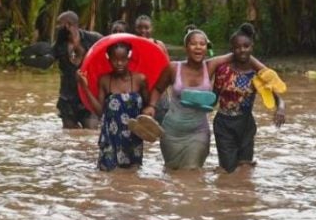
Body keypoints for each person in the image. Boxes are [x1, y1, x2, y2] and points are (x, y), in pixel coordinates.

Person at [142, 27, 265, 170]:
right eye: (194, 44)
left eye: (202, 44)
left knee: (192, 171)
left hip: (198, 131)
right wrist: (151, 106)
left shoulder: (210, 66)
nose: (198, 47)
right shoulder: (173, 68)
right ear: (186, 47)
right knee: (172, 172)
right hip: (172, 132)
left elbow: (240, 54)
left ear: (207, 47)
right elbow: (158, 89)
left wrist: (266, 72)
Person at [213, 23, 286, 173]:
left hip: (246, 124)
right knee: (228, 171)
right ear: (232, 49)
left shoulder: (257, 74)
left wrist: (281, 109)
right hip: (224, 125)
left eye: (246, 46)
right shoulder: (223, 70)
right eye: (238, 47)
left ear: (252, 47)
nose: (242, 50)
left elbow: (277, 97)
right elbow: (213, 98)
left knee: (245, 169)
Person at [77, 42, 148, 171]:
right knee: (108, 177)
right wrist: (84, 87)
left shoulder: (140, 79)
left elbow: (147, 110)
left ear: (129, 58)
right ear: (108, 59)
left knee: (133, 177)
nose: (119, 64)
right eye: (115, 60)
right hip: (110, 138)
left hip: (133, 139)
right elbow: (100, 112)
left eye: (123, 59)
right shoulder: (104, 80)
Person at [53, 11, 102, 129]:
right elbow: (48, 60)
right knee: (70, 136)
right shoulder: (59, 44)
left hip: (89, 95)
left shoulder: (93, 38)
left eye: (59, 24)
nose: (57, 28)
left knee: (91, 132)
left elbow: (110, 47)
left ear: (68, 25)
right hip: (67, 98)